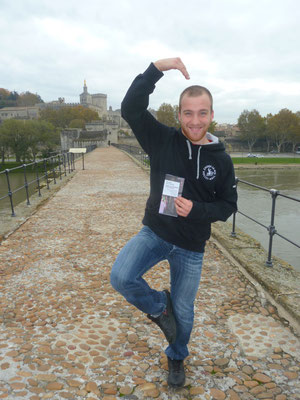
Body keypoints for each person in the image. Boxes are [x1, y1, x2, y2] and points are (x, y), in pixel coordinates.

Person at [110, 57, 237, 388]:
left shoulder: (221, 160)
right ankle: (158, 306)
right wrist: (157, 67)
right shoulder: (162, 139)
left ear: (211, 115)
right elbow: (130, 108)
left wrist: (196, 209)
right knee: (122, 276)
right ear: (179, 114)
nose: (195, 121)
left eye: (202, 113)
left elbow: (228, 206)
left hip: (191, 246)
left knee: (185, 310)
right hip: (155, 232)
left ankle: (177, 355)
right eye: (188, 113)